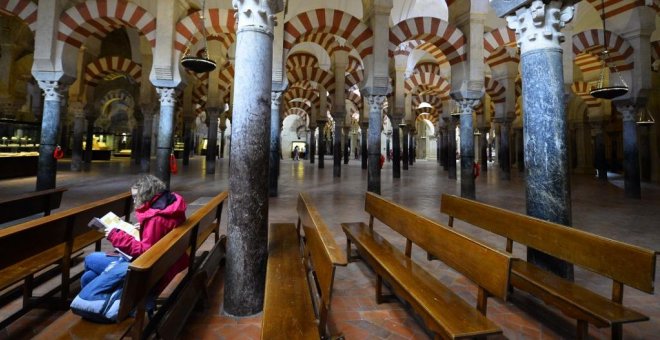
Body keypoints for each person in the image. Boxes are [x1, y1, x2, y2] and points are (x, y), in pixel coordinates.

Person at [80, 175, 187, 292]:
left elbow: (145, 253)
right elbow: (163, 231)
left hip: (153, 270)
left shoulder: (155, 218)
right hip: (170, 260)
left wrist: (115, 235)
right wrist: (144, 228)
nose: (134, 201)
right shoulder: (170, 204)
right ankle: (102, 303)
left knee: (90, 259)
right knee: (89, 276)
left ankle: (122, 303)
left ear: (147, 195)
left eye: (136, 197)